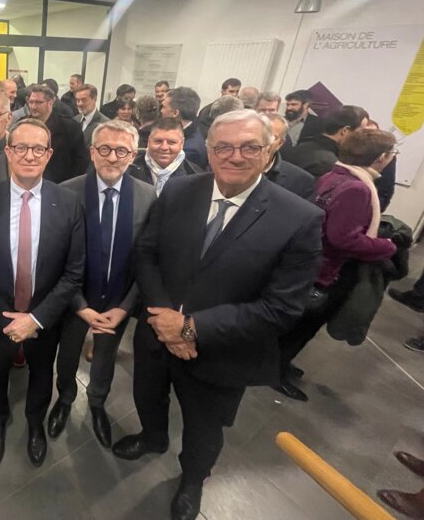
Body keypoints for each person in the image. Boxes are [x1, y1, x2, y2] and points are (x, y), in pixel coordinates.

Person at [113, 110, 323, 520]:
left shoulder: (299, 218)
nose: (235, 156)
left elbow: (282, 308)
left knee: (204, 427)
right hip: (157, 332)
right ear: (207, 150)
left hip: (222, 353)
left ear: (270, 151)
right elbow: (147, 253)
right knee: (147, 396)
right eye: (223, 146)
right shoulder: (179, 191)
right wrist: (165, 321)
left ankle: (193, 478)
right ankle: (153, 437)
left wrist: (191, 328)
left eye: (250, 147)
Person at [0, 118, 85, 468]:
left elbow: (73, 272)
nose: (29, 155)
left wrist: (35, 319)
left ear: (49, 155)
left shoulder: (69, 202)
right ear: (8, 152)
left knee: (41, 373)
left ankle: (35, 423)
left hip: (44, 317)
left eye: (38, 149)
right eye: (21, 147)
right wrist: (5, 319)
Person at [49, 121, 155, 448]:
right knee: (67, 356)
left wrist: (125, 308)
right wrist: (78, 305)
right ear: (92, 152)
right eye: (104, 149)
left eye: (121, 150)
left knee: (105, 358)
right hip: (74, 299)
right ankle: (65, 397)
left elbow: (149, 259)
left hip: (119, 301)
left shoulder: (148, 196)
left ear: (133, 155)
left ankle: (96, 403)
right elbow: (54, 254)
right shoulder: (65, 191)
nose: (112, 157)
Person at [277, 129, 398, 402]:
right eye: (391, 154)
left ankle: (279, 363)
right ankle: (276, 370)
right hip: (327, 269)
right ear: (380, 158)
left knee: (297, 325)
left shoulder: (335, 175)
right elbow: (342, 238)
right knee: (304, 326)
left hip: (314, 262)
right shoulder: (357, 188)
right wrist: (386, 246)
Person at [25, 84, 88, 183]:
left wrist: (70, 184)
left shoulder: (69, 127)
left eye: (38, 102)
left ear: (50, 103)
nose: (33, 106)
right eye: (31, 102)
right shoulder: (23, 126)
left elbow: (81, 160)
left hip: (60, 184)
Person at [283, 105, 368, 176]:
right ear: (345, 131)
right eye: (361, 131)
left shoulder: (300, 147)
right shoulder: (330, 165)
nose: (363, 137)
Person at [130, 117, 201, 195]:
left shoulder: (197, 177)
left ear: (182, 143)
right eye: (158, 141)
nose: (164, 147)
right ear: (149, 141)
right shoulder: (129, 172)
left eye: (171, 142)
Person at [261, 113, 315, 199]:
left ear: (280, 143)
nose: (263, 141)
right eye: (259, 135)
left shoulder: (300, 181)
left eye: (272, 137)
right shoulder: (232, 166)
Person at [159, 87, 207, 169]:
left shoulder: (189, 150)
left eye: (163, 107)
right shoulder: (197, 129)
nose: (161, 111)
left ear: (175, 113)